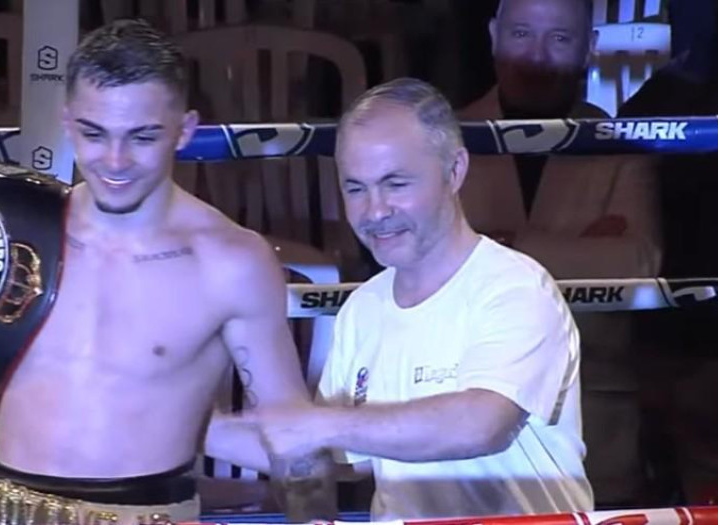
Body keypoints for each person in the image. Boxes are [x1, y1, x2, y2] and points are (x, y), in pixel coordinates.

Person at [0, 19, 335, 525]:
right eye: (94, 132)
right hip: (3, 510)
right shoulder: (15, 223)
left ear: (184, 131)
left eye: (142, 136)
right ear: (67, 122)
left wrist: (317, 522)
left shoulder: (230, 263)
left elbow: (292, 437)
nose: (114, 159)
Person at [207, 77, 594, 521]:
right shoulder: (362, 308)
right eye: (356, 188)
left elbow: (482, 425)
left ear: (455, 171)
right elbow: (334, 456)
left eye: (395, 184)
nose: (374, 211)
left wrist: (317, 424)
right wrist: (195, 426)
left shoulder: (515, 288)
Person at [463, 0, 661, 507]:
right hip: (462, 405)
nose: (535, 57)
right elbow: (423, 263)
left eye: (559, 39)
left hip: (595, 412)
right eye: (522, 34)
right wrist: (582, 248)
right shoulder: (443, 141)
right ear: (492, 35)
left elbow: (637, 265)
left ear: (589, 48)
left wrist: (495, 245)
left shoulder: (618, 146)